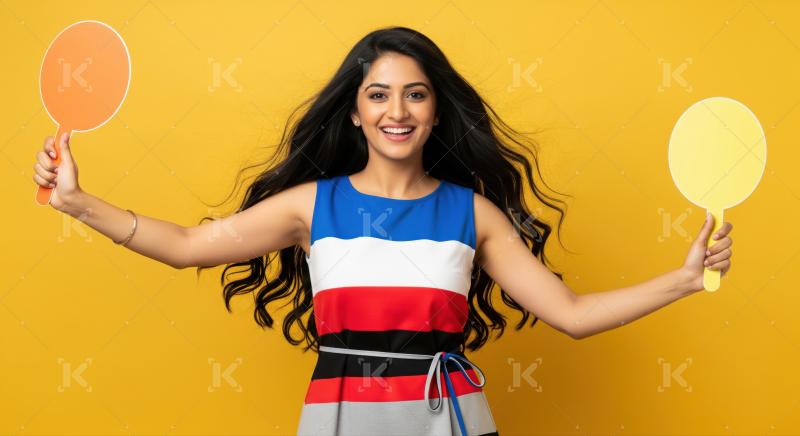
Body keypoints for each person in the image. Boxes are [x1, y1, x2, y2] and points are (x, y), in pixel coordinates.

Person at [32, 26, 733, 436]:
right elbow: (187, 247)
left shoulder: (473, 213)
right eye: (378, 95)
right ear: (356, 116)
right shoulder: (312, 207)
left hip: (451, 419)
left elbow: (573, 317)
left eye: (415, 93)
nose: (397, 110)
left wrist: (686, 276)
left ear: (434, 112)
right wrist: (78, 202)